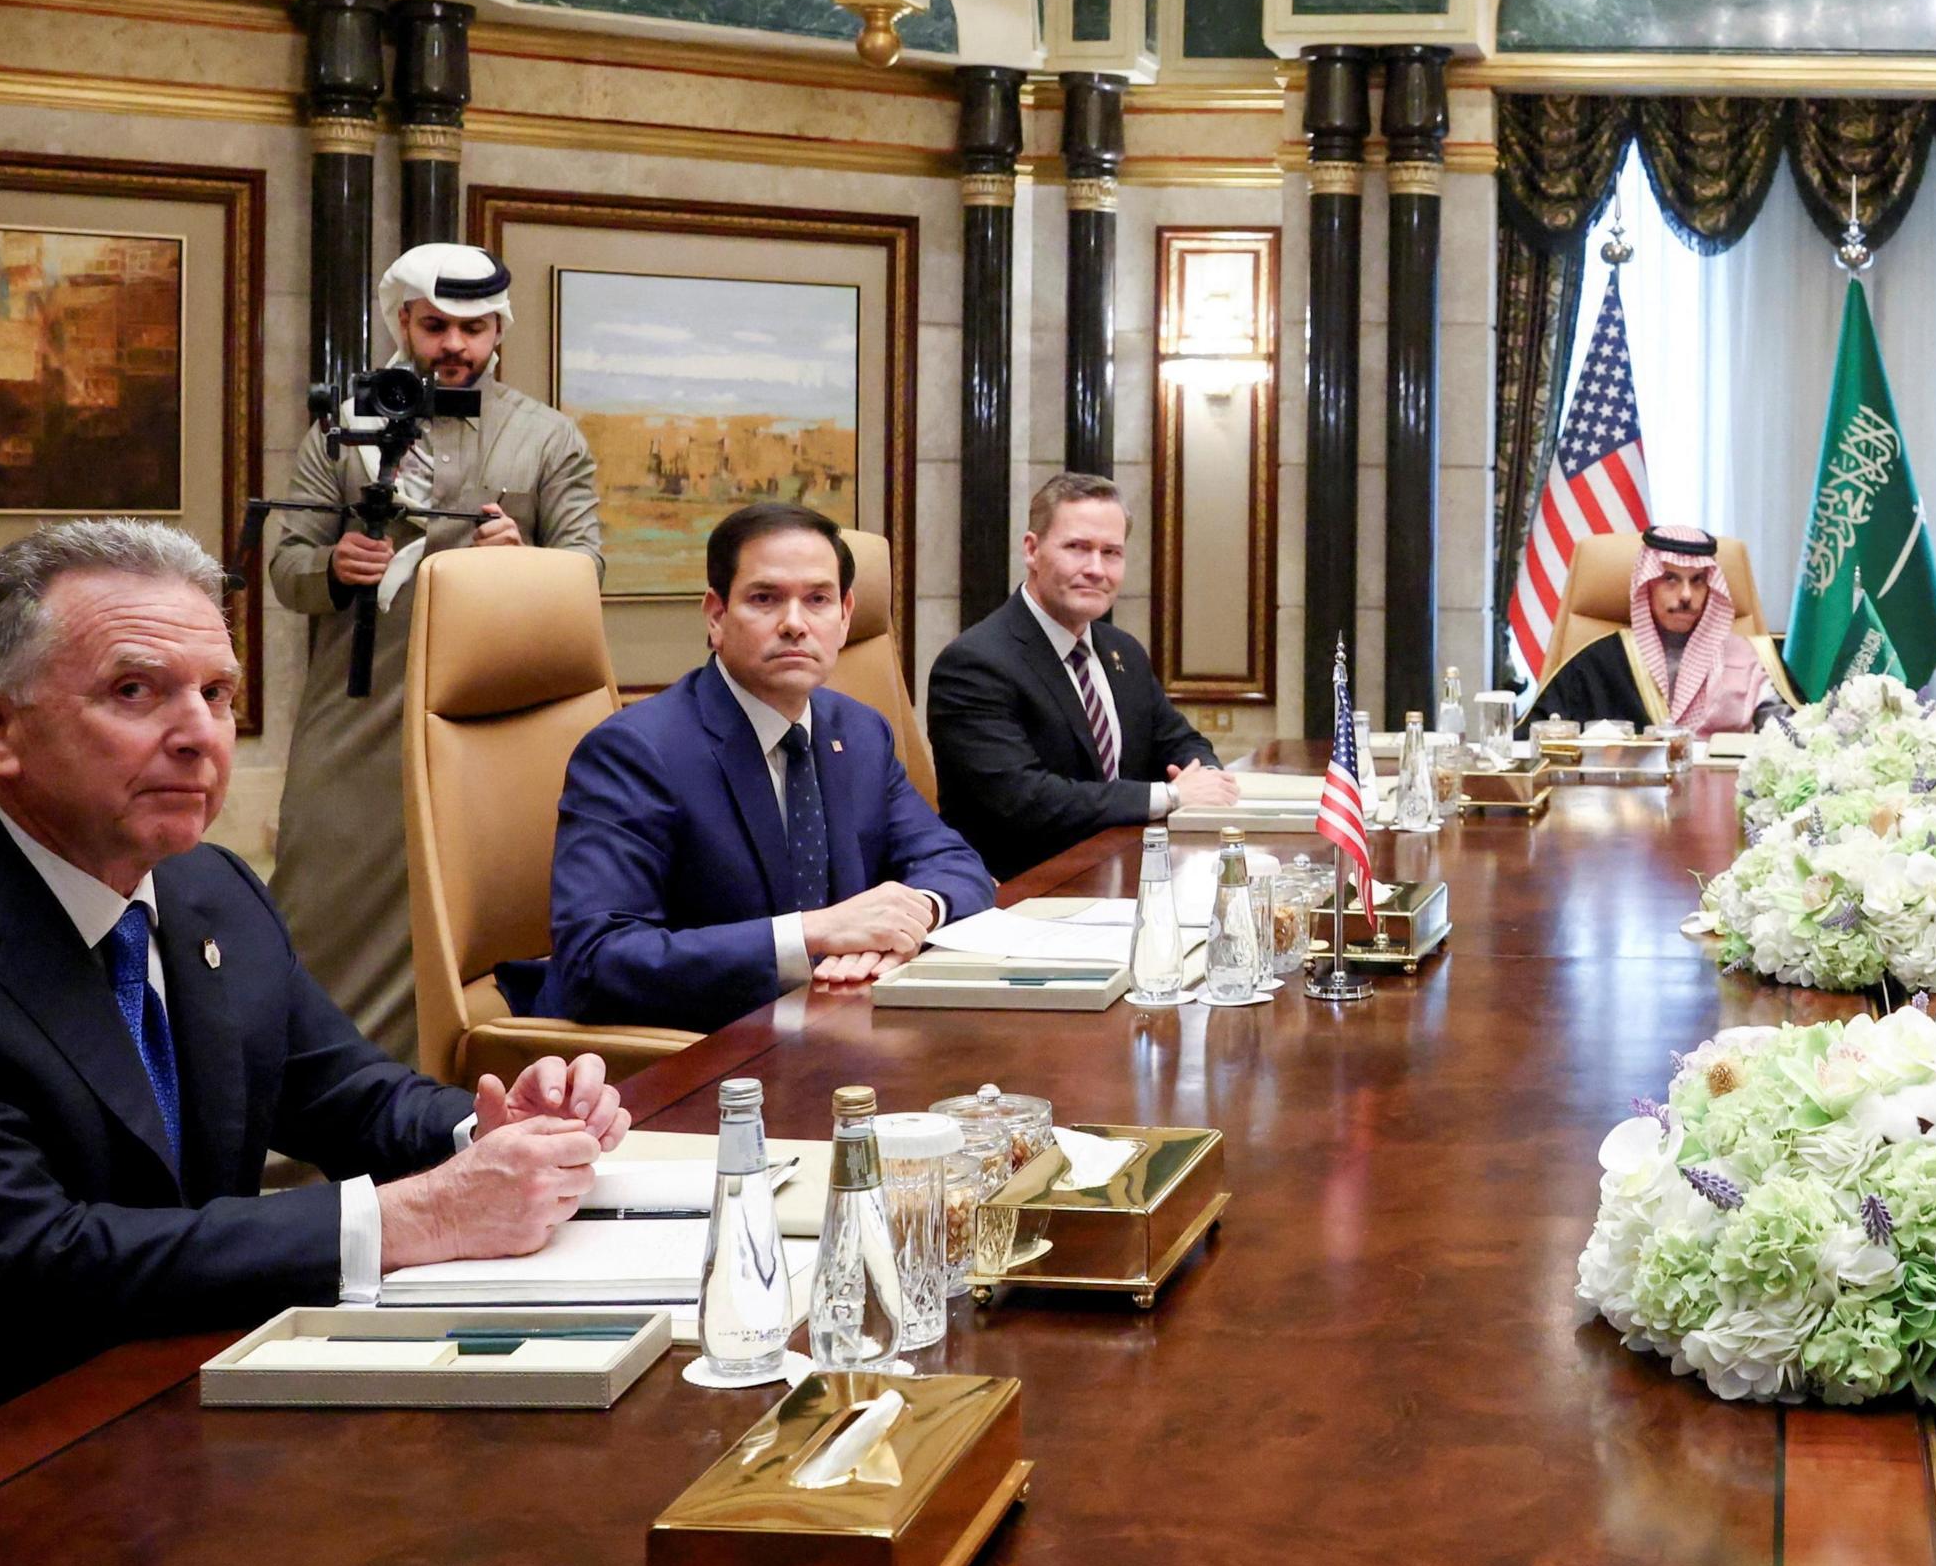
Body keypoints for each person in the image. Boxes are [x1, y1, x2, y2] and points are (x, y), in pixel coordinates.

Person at [0, 521, 627, 1487]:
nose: (201, 733)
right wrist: (418, 1221)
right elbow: (33, 1265)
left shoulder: (209, 890)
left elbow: (351, 1095)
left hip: (170, 1396)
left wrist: (490, 1130)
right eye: (135, 691)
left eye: (216, 692)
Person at [264, 242, 600, 1060]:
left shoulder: (549, 439)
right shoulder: (340, 432)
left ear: (498, 334)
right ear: (404, 324)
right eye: (436, 325)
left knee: (480, 910)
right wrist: (335, 568)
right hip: (360, 710)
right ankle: (317, 1123)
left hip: (495, 724)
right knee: (323, 905)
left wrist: (527, 561)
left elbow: (585, 570)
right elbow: (285, 566)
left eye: (473, 328)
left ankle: (458, 1105)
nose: (454, 345)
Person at [536, 503, 994, 1033]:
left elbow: (957, 864)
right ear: (715, 615)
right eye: (765, 599)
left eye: (818, 600)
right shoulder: (637, 751)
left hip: (831, 1026)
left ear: (845, 617)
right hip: (691, 1050)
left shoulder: (860, 732)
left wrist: (911, 918)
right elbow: (597, 959)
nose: (795, 624)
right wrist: (812, 935)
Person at [925, 473, 1238, 880]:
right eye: (1077, 548)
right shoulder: (974, 664)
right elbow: (1026, 801)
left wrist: (1208, 778)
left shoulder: (1122, 650)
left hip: (1127, 875)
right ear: (1032, 550)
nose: (1096, 569)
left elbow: (1180, 741)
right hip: (1022, 895)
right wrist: (1172, 795)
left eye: (1111, 553)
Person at [1527, 527, 1795, 732]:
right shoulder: (1599, 662)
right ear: (1648, 585)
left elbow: (1789, 739)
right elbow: (1536, 737)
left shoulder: (1748, 658)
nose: (1687, 595)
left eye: (1698, 581)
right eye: (1670, 579)